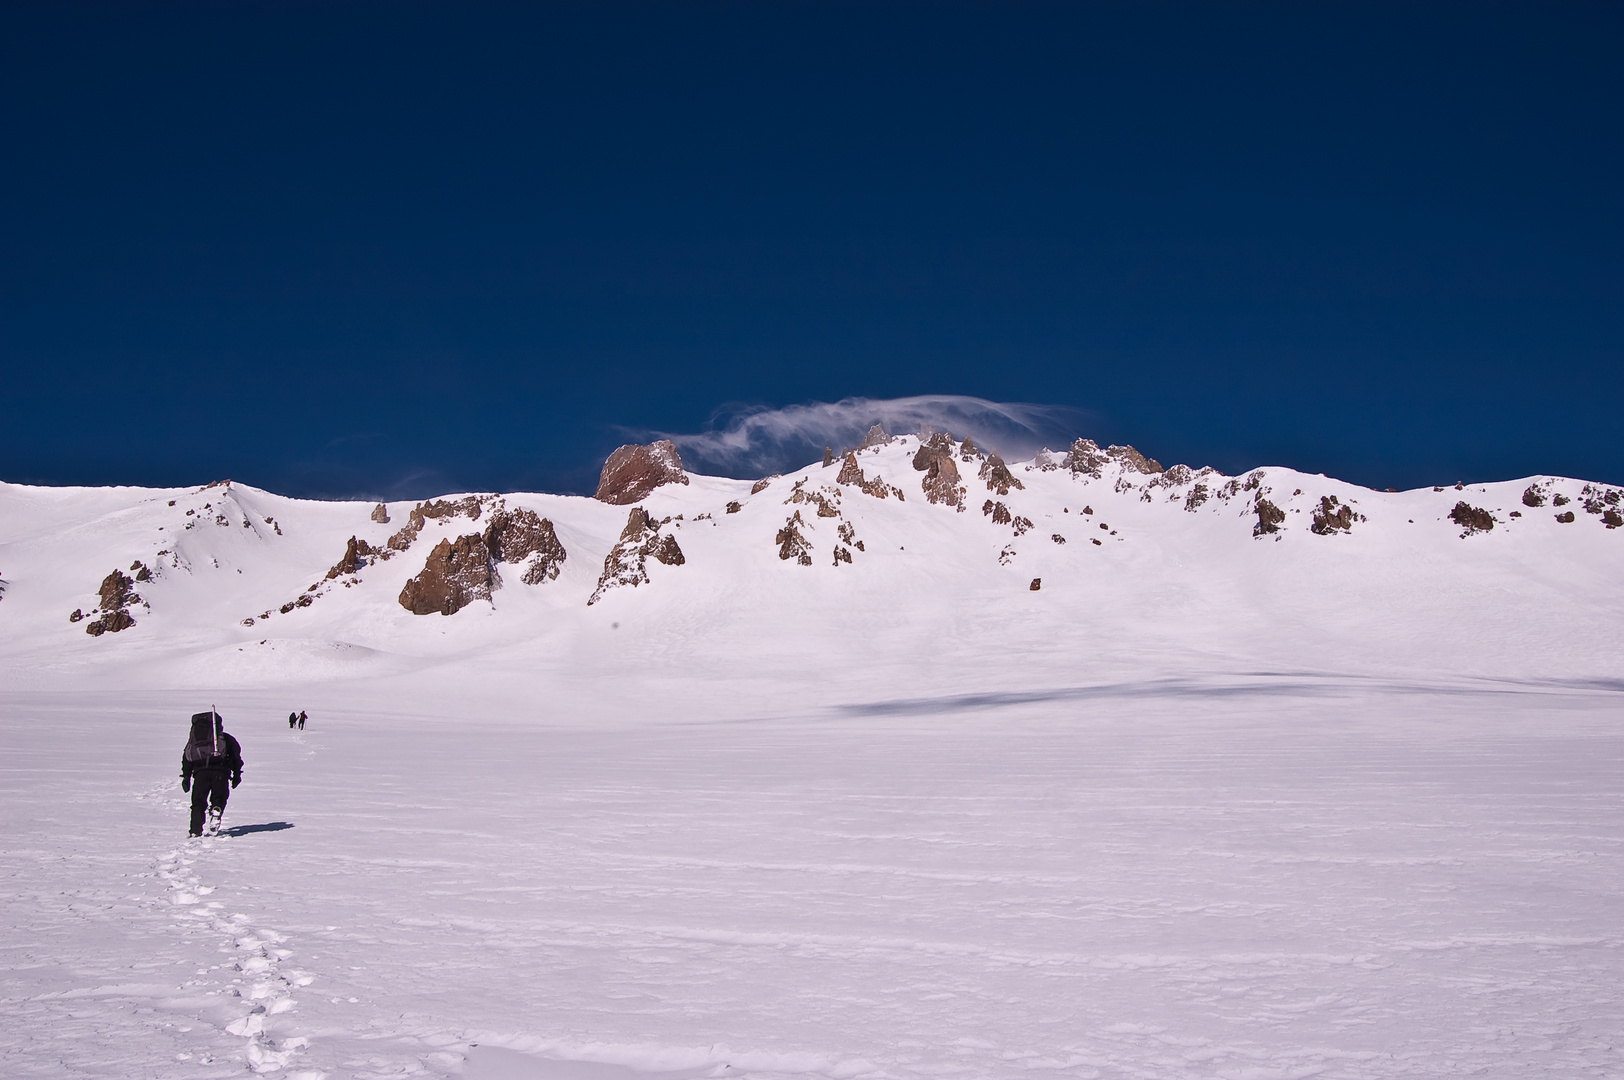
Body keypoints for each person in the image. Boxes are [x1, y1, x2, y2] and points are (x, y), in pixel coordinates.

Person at [180, 710, 243, 837]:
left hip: (200, 773)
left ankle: (195, 831)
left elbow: (187, 758)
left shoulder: (195, 741)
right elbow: (236, 758)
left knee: (198, 802)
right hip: (221, 772)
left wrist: (186, 777)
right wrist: (237, 775)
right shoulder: (227, 739)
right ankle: (216, 809)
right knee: (219, 797)